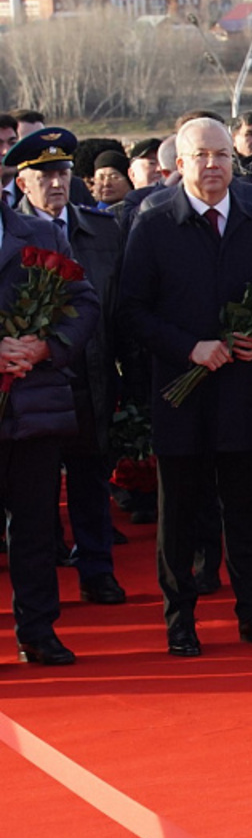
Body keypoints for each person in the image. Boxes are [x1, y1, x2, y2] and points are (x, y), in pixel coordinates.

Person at [119, 118, 252, 657]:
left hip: (246, 391)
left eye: (223, 155)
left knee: (250, 509)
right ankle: (180, 619)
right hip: (182, 391)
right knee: (180, 512)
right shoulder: (154, 225)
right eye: (201, 156)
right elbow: (130, 311)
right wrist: (188, 348)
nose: (213, 165)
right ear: (178, 164)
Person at [11, 128, 128, 607]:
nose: (56, 183)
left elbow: (117, 302)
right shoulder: (13, 234)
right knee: (32, 495)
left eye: (61, 173)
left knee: (90, 474)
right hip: (28, 383)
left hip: (92, 374)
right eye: (44, 175)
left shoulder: (102, 229)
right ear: (23, 183)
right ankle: (39, 589)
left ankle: (96, 568)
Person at [0, 129, 101, 666]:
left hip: (35, 404)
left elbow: (83, 302)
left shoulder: (39, 233)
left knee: (36, 526)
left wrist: (44, 347)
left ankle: (38, 629)